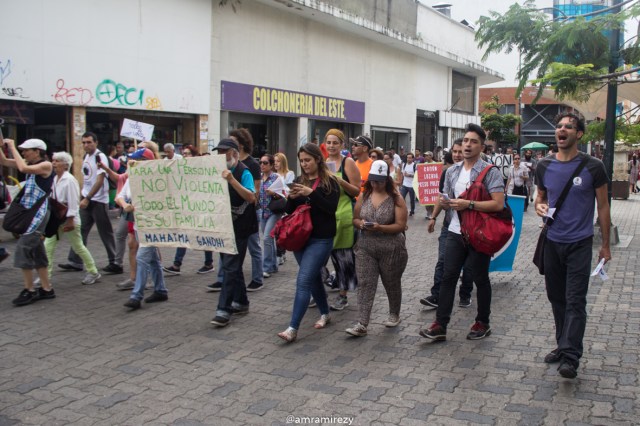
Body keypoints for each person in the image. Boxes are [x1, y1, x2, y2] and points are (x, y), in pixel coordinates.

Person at [535, 112, 611, 379]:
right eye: (559, 126)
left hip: (580, 244)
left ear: (579, 134)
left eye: (569, 126)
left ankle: (570, 356)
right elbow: (540, 198)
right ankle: (562, 344)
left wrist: (605, 245)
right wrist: (538, 206)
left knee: (575, 300)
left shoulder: (593, 166)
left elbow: (602, 206)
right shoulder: (544, 165)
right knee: (557, 298)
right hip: (553, 242)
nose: (562, 130)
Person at [419, 123, 504, 342]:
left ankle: (483, 322)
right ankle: (440, 325)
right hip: (455, 232)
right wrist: (443, 207)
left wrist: (469, 204)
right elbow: (445, 198)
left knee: (480, 278)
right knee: (448, 277)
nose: (468, 145)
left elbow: (498, 205)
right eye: (465, 140)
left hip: (478, 234)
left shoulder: (490, 172)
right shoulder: (451, 172)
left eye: (473, 141)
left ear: (482, 146)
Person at [277, 143, 340, 342]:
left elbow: (331, 209)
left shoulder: (330, 182)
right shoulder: (298, 180)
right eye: (301, 161)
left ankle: (292, 328)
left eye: (308, 160)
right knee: (312, 278)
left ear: (317, 159)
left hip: (321, 239)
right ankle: (325, 313)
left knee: (303, 280)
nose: (304, 164)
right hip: (300, 238)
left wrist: (310, 193)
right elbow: (289, 210)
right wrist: (290, 197)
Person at [345, 160, 408, 337]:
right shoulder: (365, 195)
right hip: (366, 247)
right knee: (365, 283)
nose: (376, 183)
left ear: (386, 180)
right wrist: (361, 224)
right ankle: (362, 323)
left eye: (379, 180)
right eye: (373, 180)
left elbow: (401, 225)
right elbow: (355, 218)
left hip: (391, 248)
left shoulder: (396, 198)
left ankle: (394, 312)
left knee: (391, 282)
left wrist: (380, 228)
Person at [210, 138, 259, 326]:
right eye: (219, 152)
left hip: (240, 227)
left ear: (235, 153)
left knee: (230, 265)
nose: (221, 156)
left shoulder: (243, 171)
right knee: (231, 264)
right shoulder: (215, 171)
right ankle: (242, 302)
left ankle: (224, 308)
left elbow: (251, 196)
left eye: (225, 152)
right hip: (224, 225)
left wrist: (231, 180)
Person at [0, 138, 55, 306]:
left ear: (37, 151)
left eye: (26, 150)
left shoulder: (46, 165)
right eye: (22, 150)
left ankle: (29, 290)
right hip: (30, 214)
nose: (23, 153)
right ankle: (46, 289)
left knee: (23, 248)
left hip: (38, 215)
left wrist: (11, 145)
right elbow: (3, 161)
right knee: (37, 251)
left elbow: (23, 168)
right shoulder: (30, 163)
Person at [421, 140, 474, 309]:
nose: (457, 154)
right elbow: (441, 196)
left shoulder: (477, 172)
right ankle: (436, 295)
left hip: (471, 227)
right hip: (449, 226)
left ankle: (465, 293)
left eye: (460, 151)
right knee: (442, 260)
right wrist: (434, 217)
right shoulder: (448, 172)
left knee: (468, 264)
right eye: (455, 151)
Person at [59, 132, 121, 274]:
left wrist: (88, 198)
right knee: (80, 231)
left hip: (98, 201)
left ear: (96, 142)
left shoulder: (100, 157)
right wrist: (83, 196)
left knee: (105, 233)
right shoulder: (87, 156)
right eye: (84, 142)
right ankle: (75, 261)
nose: (86, 145)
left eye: (89, 142)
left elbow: (99, 180)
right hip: (87, 199)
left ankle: (115, 262)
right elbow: (87, 179)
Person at [118, 148, 169, 310]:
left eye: (137, 159)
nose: (132, 162)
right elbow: (119, 196)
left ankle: (136, 295)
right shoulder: (132, 177)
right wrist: (125, 205)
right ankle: (160, 290)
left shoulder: (159, 178)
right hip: (139, 224)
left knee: (141, 257)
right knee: (152, 259)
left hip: (153, 223)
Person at [44, 152, 101, 286]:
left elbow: (73, 201)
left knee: (78, 247)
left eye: (57, 161)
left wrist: (70, 220)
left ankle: (93, 271)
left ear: (65, 165)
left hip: (69, 218)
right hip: (57, 218)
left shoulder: (69, 180)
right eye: (53, 161)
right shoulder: (54, 179)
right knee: (48, 246)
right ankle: (46, 275)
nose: (54, 163)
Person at [324, 129, 361, 311]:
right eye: (328, 142)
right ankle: (320, 290)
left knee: (343, 258)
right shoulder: (322, 163)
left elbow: (356, 190)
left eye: (335, 143)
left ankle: (342, 296)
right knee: (319, 257)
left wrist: (341, 182)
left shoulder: (348, 162)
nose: (331, 146)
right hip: (326, 215)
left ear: (341, 145)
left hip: (344, 214)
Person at [258, 154, 281, 277]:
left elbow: (284, 194)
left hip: (274, 212)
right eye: (261, 162)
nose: (262, 165)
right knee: (269, 239)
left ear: (271, 165)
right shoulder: (259, 178)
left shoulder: (276, 177)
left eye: (265, 163)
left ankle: (266, 267)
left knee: (267, 237)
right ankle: (273, 266)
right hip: (262, 212)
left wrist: (274, 193)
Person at [274, 152, 295, 266]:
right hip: (275, 204)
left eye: (278, 161)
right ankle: (279, 253)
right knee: (276, 230)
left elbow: (288, 188)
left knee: (282, 230)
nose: (276, 163)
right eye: (275, 161)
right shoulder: (272, 175)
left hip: (285, 204)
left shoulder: (289, 174)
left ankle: (281, 253)